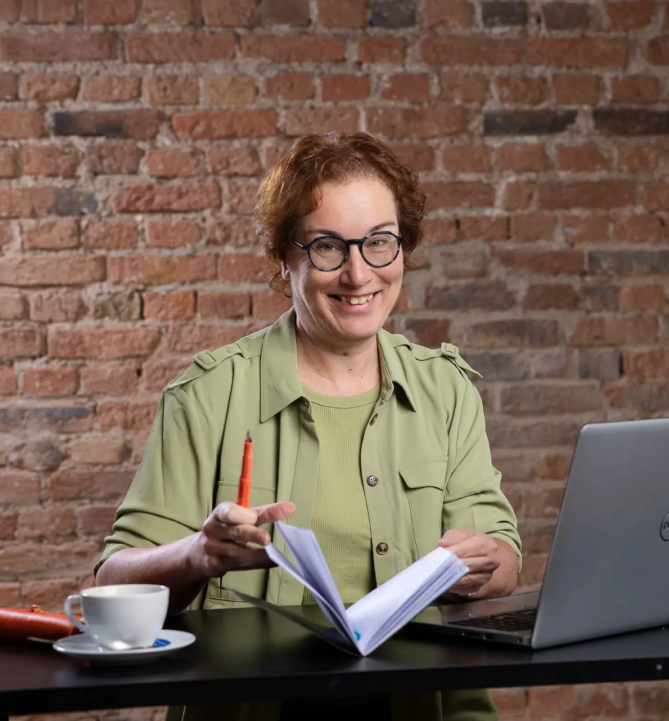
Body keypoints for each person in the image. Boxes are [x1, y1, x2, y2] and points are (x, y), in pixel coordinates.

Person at [94, 132, 522, 721]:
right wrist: (199, 554)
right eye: (327, 247)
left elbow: (504, 562)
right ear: (285, 257)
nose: (358, 273)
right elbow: (114, 581)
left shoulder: (444, 389)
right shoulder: (208, 395)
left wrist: (478, 564)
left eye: (379, 243)